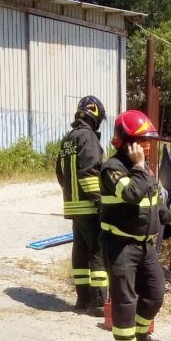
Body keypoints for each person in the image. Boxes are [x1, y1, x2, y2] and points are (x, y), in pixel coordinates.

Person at [99, 110, 171, 341]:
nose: (147, 147)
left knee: (155, 293)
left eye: (149, 142)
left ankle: (140, 337)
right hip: (120, 245)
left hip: (144, 245)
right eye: (143, 142)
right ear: (127, 142)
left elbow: (153, 201)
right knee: (125, 299)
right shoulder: (112, 169)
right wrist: (140, 168)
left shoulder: (143, 170)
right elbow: (131, 193)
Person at [55, 96, 108, 316]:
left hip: (74, 207)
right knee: (97, 251)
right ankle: (96, 303)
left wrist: (70, 196)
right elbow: (89, 173)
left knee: (80, 251)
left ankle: (81, 298)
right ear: (95, 116)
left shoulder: (68, 139)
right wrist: (100, 202)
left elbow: (60, 173)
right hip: (89, 205)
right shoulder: (88, 138)